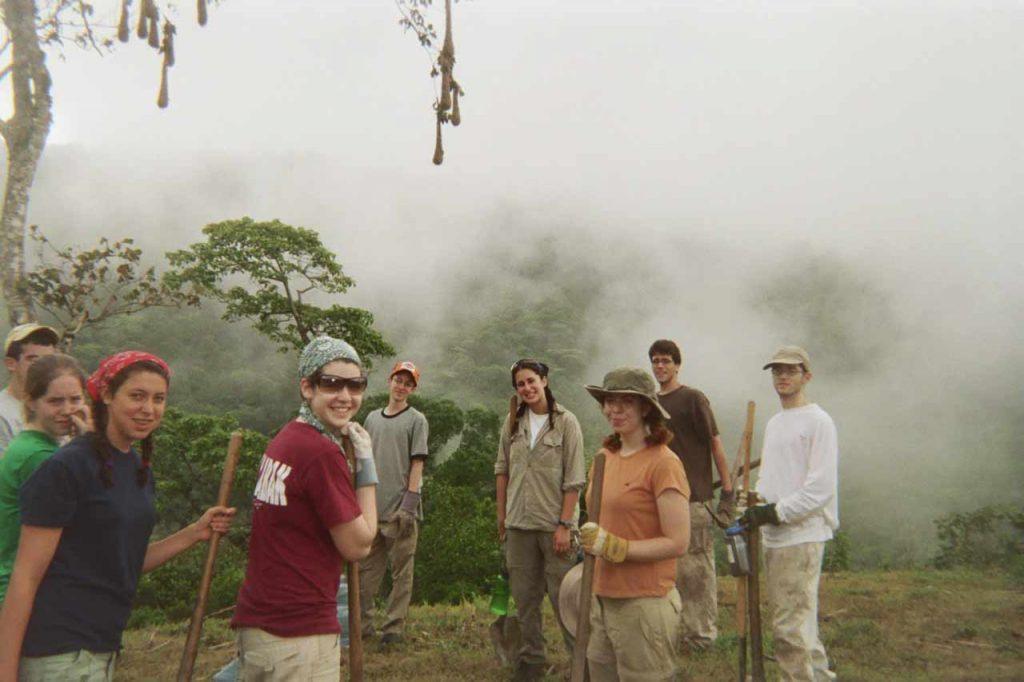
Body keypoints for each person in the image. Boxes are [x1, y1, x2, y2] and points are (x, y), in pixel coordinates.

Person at [0, 350, 235, 681]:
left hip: (102, 648)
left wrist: (195, 533)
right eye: (137, 396)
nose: (148, 408)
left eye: (158, 399)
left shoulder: (136, 469)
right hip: (59, 651)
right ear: (107, 395)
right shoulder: (67, 468)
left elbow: (123, 562)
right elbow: (25, 578)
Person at [231, 336, 379, 680]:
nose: (345, 396)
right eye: (331, 384)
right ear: (307, 387)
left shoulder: (287, 439)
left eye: (355, 385)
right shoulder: (320, 454)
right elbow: (358, 545)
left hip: (263, 623)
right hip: (297, 633)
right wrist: (367, 465)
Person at [579, 367, 690, 682]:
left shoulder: (664, 463)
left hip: (643, 603)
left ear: (645, 408)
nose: (614, 409)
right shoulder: (605, 457)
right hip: (602, 596)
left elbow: (678, 541)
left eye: (626, 401)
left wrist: (617, 547)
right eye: (609, 401)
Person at [742, 346, 838, 682]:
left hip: (802, 535)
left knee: (788, 630)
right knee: (801, 623)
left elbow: (820, 488)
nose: (782, 376)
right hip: (776, 536)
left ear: (806, 376)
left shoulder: (818, 421)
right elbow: (770, 477)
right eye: (777, 371)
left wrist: (774, 512)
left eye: (791, 371)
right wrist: (753, 504)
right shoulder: (775, 423)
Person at [494, 359, 585, 682]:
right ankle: (531, 659)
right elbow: (502, 471)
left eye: (532, 381)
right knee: (525, 598)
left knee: (566, 599)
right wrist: (501, 516)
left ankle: (580, 664)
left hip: (554, 527)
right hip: (519, 525)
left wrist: (564, 525)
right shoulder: (512, 423)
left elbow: (574, 479)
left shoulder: (566, 422)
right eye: (521, 384)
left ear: (545, 381)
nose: (527, 388)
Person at [648, 338, 734, 649]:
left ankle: (700, 636)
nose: (660, 366)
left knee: (696, 570)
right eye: (655, 361)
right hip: (661, 498)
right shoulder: (651, 405)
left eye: (666, 361)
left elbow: (715, 446)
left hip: (695, 499)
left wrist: (727, 493)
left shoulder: (693, 399)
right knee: (667, 569)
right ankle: (675, 632)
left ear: (677, 364)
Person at [0, 354, 90, 603]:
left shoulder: (33, 445)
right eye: (55, 401)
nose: (67, 410)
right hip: (21, 595)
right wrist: (91, 442)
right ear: (31, 402)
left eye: (75, 399)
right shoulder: (39, 457)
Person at [359, 360, 429, 646]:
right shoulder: (372, 419)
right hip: (371, 509)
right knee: (365, 573)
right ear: (390, 381)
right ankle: (362, 625)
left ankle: (393, 629)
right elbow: (362, 462)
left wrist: (408, 506)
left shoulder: (417, 420)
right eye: (398, 380)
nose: (402, 387)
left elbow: (417, 463)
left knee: (402, 573)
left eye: (408, 383)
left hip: (401, 510)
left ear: (412, 389)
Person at [0, 324, 59, 454]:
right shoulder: (3, 414)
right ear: (11, 364)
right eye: (33, 360)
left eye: (49, 360)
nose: (44, 367)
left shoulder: (61, 407)